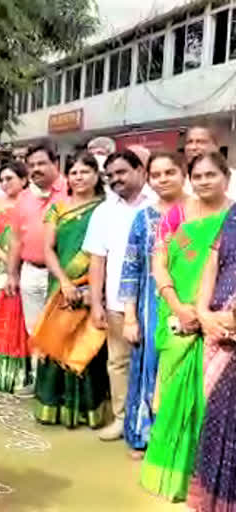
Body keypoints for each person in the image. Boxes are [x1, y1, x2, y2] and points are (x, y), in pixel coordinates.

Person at [141, 151, 233, 502]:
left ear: (225, 176)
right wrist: (178, 307)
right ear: (190, 179)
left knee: (207, 401)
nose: (205, 181)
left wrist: (207, 312)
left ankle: (200, 481)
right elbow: (160, 264)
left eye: (212, 174)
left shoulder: (232, 216)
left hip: (216, 320)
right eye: (198, 176)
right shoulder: (177, 214)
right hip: (177, 317)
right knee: (172, 397)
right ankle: (168, 476)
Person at [29, 153, 108, 428]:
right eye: (73, 172)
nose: (79, 177)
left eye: (85, 172)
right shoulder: (58, 208)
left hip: (95, 284)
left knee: (88, 345)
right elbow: (48, 249)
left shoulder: (106, 208)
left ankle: (88, 410)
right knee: (57, 340)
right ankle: (53, 406)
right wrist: (64, 281)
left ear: (97, 176)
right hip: (61, 284)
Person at [82, 149, 157, 442]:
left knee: (154, 363)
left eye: (122, 172)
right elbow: (97, 260)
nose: (116, 180)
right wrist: (96, 304)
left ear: (141, 170)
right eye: (111, 175)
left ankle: (153, 425)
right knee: (118, 362)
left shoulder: (159, 204)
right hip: (116, 301)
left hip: (156, 301)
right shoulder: (104, 211)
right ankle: (122, 419)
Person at [119, 152, 188, 457]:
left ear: (183, 173)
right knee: (149, 367)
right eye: (155, 174)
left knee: (183, 371)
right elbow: (131, 268)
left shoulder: (200, 213)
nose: (162, 180)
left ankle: (180, 443)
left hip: (191, 301)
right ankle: (145, 437)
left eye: (169, 172)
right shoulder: (143, 217)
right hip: (151, 304)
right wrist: (130, 317)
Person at [6, 145, 68, 395]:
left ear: (56, 164)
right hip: (31, 271)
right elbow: (15, 239)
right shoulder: (24, 197)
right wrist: (12, 273)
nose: (36, 170)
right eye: (31, 166)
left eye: (42, 164)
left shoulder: (71, 191)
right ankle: (40, 383)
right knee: (34, 329)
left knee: (61, 329)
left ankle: (62, 388)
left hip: (62, 275)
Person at [187, 203, 236, 512]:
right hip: (219, 330)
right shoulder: (233, 215)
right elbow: (212, 260)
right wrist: (204, 312)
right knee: (219, 420)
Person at [0, 161, 31, 393]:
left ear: (24, 180)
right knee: (2, 318)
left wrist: (19, 260)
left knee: (25, 321)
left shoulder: (32, 205)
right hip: (1, 270)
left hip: (28, 267)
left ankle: (23, 376)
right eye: (2, 179)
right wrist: (7, 258)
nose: (5, 184)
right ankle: (0, 375)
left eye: (10, 178)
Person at [184, 126, 236, 198]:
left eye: (200, 142)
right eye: (189, 142)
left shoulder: (233, 179)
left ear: (216, 146)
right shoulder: (179, 180)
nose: (193, 147)